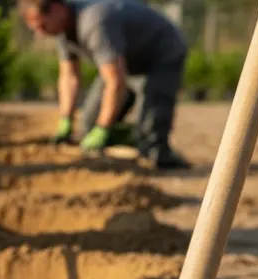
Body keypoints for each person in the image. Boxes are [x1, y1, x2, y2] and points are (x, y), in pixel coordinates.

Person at [18, 0, 191, 170]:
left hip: (160, 55)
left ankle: (157, 150)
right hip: (125, 62)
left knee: (151, 135)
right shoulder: (62, 31)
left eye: (42, 26)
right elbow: (69, 77)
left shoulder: (95, 22)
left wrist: (103, 127)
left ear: (56, 9)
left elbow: (115, 80)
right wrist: (66, 120)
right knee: (88, 125)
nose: (40, 33)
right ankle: (132, 136)